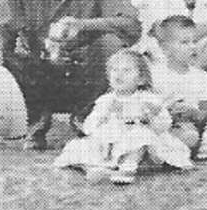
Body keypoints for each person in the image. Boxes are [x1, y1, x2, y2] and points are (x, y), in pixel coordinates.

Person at [0, 0, 141, 150]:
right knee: (4, 54)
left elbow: (131, 25)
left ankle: (86, 116)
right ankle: (35, 120)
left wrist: (83, 25)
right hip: (37, 71)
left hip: (85, 74)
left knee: (112, 44)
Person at [53, 49, 193, 184]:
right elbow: (89, 127)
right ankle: (95, 169)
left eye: (126, 71)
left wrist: (151, 116)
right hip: (110, 142)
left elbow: (164, 125)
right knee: (79, 147)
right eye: (114, 70)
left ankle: (128, 167)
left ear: (141, 79)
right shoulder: (106, 100)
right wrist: (103, 116)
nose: (119, 74)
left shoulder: (147, 99)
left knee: (140, 136)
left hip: (138, 142)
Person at [146, 15, 207, 150]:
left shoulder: (201, 77)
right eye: (184, 42)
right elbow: (144, 103)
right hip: (158, 124)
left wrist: (192, 113)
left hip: (185, 127)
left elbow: (205, 113)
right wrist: (164, 111)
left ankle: (164, 151)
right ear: (165, 48)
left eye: (194, 41)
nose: (192, 47)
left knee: (190, 136)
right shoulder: (155, 74)